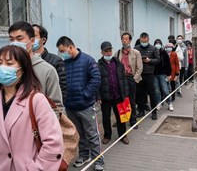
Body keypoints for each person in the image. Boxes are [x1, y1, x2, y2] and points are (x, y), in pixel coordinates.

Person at [0, 45, 64, 171]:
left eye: (9, 63)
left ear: (22, 69)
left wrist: (37, 168)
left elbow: (53, 142)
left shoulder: (36, 100)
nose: (2, 67)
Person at [56, 36, 104, 171]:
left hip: (86, 106)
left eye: (63, 51)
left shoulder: (88, 60)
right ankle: (84, 155)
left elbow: (96, 79)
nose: (62, 54)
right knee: (79, 133)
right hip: (70, 106)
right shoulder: (64, 63)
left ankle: (98, 160)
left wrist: (86, 94)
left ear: (70, 47)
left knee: (92, 134)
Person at [8, 21, 64, 112]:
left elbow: (56, 107)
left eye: (19, 39)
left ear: (32, 40)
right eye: (11, 39)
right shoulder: (6, 69)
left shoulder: (47, 70)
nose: (14, 43)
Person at [97, 41, 129, 145]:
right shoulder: (98, 66)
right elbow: (96, 82)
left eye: (110, 50)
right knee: (106, 117)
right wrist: (98, 96)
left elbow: (124, 79)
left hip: (118, 95)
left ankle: (123, 135)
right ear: (102, 52)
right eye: (106, 51)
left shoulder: (119, 64)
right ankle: (107, 135)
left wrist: (125, 93)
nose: (108, 53)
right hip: (106, 96)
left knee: (121, 116)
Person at [115, 32, 143, 129]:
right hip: (121, 79)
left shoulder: (136, 53)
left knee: (131, 100)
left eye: (126, 39)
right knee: (121, 100)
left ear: (130, 40)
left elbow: (140, 68)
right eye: (123, 39)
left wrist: (135, 79)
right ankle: (122, 119)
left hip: (131, 78)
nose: (124, 40)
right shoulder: (118, 53)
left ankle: (133, 120)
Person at [32, 24, 67, 101]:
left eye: (34, 36)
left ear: (43, 40)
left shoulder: (55, 61)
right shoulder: (24, 61)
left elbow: (62, 89)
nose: (31, 39)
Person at [134, 32, 160, 120]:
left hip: (149, 74)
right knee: (140, 93)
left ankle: (154, 111)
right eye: (142, 40)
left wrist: (149, 61)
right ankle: (141, 111)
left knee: (152, 93)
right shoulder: (136, 48)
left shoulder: (153, 48)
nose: (143, 42)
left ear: (148, 39)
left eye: (145, 40)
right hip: (139, 74)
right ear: (140, 40)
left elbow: (158, 60)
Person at [153, 39, 173, 111]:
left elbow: (168, 64)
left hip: (163, 74)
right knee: (156, 90)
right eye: (156, 43)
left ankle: (169, 103)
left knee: (165, 90)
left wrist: (169, 74)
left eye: (159, 43)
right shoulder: (153, 52)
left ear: (161, 44)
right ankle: (158, 103)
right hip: (154, 74)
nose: (157, 44)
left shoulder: (164, 53)